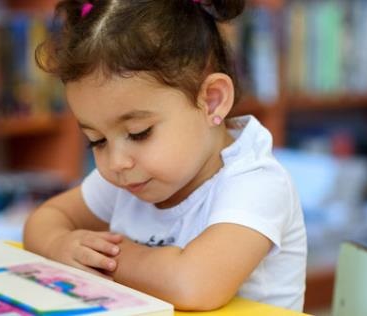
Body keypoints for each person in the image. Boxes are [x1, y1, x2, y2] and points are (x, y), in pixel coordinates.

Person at [24, 0, 307, 312]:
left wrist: (103, 258)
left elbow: (194, 285)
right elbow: (44, 220)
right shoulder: (131, 178)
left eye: (139, 133)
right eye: (97, 141)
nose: (116, 162)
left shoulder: (256, 184)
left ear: (212, 101)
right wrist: (59, 245)